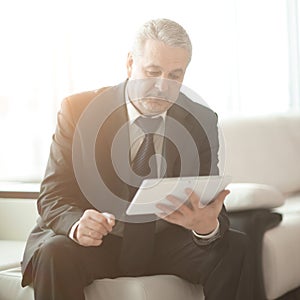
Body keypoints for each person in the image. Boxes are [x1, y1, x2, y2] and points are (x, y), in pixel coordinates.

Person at [21, 18, 253, 300]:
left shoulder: (200, 121)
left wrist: (205, 228)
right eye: (152, 71)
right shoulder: (78, 111)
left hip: (163, 242)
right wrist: (77, 224)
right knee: (53, 253)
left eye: (174, 76)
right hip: (98, 242)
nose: (161, 87)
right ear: (130, 64)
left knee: (234, 246)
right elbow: (52, 195)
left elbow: (208, 202)